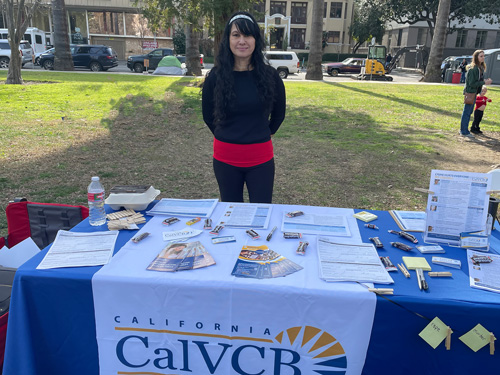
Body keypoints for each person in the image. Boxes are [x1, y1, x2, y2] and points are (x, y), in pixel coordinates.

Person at [202, 11, 286, 203]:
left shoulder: (270, 76)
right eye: (236, 35)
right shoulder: (215, 77)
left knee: (262, 212)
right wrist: (227, 136)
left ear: (256, 40)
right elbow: (208, 115)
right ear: (228, 40)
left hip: (261, 158)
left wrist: (263, 133)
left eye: (247, 35)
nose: (242, 41)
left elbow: (279, 114)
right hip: (225, 158)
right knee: (231, 213)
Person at [460, 50, 492, 138]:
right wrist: (484, 82)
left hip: (474, 92)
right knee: (467, 112)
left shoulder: (480, 68)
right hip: (470, 93)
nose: (483, 58)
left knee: (469, 112)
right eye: (481, 56)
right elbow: (472, 83)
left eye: (483, 56)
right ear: (476, 57)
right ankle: (464, 131)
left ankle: (464, 130)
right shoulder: (473, 69)